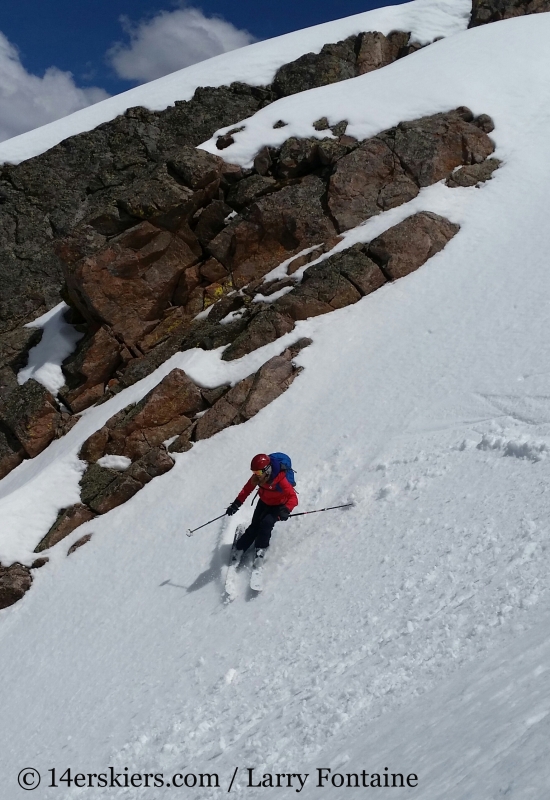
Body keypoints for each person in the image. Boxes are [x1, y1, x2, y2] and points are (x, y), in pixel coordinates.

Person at [226, 453, 298, 565]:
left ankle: (261, 548)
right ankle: (240, 548)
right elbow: (246, 490)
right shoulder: (258, 477)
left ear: (267, 469)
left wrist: (286, 510)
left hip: (278, 505)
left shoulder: (281, 479)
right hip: (264, 501)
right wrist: (236, 504)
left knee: (266, 524)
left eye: (258, 472)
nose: (256, 475)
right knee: (255, 524)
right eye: (254, 472)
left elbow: (293, 497)